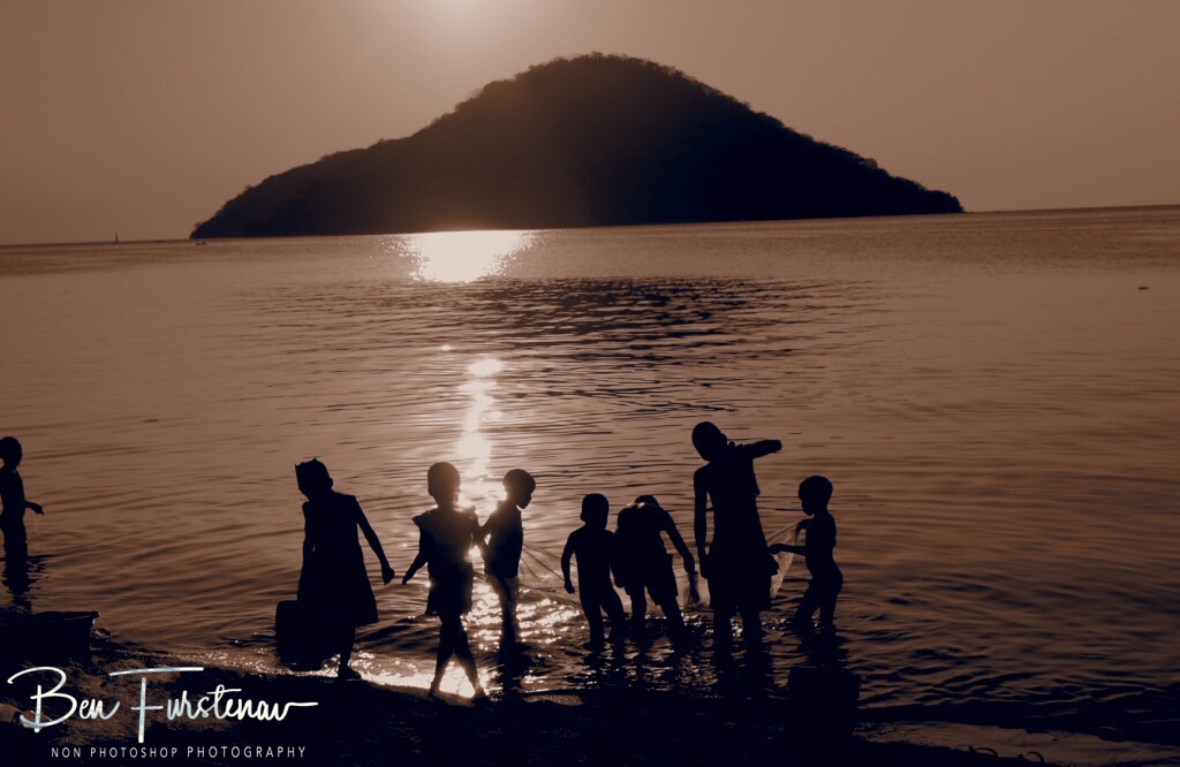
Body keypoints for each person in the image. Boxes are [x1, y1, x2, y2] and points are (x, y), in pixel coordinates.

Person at [295, 459, 395, 679]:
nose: (302, 490)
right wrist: (383, 563)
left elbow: (309, 542)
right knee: (344, 618)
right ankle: (341, 664)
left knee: (334, 615)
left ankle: (333, 663)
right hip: (342, 566)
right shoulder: (341, 503)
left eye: (303, 485)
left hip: (331, 567)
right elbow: (310, 541)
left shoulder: (317, 507)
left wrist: (306, 572)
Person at [691, 421, 782, 651]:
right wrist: (741, 451)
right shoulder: (739, 459)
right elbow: (774, 444)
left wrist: (702, 554)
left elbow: (699, 519)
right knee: (749, 613)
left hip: (725, 548)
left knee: (722, 614)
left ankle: (724, 668)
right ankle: (756, 666)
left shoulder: (706, 474)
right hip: (750, 545)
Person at [403, 462, 486, 699]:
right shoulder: (469, 514)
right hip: (462, 576)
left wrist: (410, 572)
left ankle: (477, 689)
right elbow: (480, 544)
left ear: (431, 490)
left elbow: (424, 553)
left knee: (453, 632)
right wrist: (494, 566)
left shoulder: (429, 521)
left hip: (441, 578)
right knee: (449, 631)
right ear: (457, 487)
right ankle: (436, 685)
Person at [614, 495, 697, 637]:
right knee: (669, 604)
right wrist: (687, 558)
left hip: (630, 560)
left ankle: (638, 639)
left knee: (638, 603)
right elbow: (676, 538)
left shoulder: (625, 513)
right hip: (654, 559)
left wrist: (618, 574)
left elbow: (616, 548)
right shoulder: (658, 512)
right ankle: (679, 635)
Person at [770, 475, 842, 633]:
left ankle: (815, 649)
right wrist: (806, 524)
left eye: (804, 500)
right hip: (831, 577)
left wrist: (782, 547)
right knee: (826, 621)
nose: (802, 505)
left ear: (816, 500)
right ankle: (828, 650)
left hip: (823, 580)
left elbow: (812, 552)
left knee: (800, 620)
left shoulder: (819, 524)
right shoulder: (824, 520)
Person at [562, 494, 626, 648]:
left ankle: (604, 651)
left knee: (611, 620)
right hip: (597, 589)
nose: (601, 520)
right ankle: (611, 650)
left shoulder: (582, 536)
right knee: (607, 621)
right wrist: (568, 581)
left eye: (603, 516)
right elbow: (565, 559)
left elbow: (614, 560)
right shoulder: (582, 537)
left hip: (595, 589)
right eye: (597, 516)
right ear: (583, 516)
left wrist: (618, 577)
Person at [480, 469, 535, 645]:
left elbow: (481, 534)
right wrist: (496, 571)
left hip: (504, 572)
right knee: (508, 613)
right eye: (527, 493)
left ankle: (509, 648)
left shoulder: (505, 510)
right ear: (517, 491)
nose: (530, 498)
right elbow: (480, 537)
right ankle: (509, 648)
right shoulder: (506, 512)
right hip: (501, 573)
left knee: (510, 612)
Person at [0, 437, 44, 564]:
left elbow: (16, 499)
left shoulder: (10, 473)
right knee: (17, 554)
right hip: (12, 521)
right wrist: (32, 505)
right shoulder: (7, 475)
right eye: (18, 452)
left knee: (16, 553)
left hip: (13, 520)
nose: (21, 455)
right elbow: (15, 501)